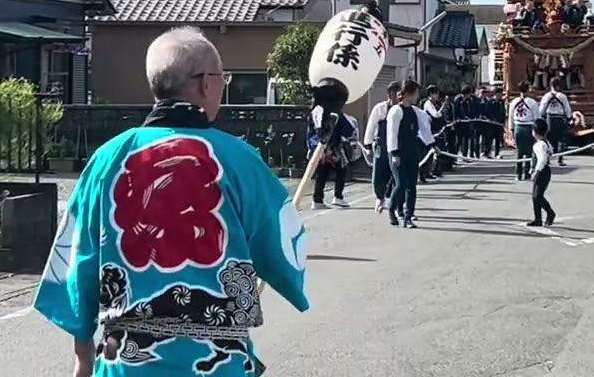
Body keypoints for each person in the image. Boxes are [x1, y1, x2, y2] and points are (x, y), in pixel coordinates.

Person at [33, 26, 309, 377]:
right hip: (217, 365)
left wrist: (84, 359)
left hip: (126, 362)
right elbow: (287, 248)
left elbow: (77, 265)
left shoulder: (106, 160)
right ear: (206, 83)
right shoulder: (240, 159)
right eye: (223, 78)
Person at [385, 79, 428, 229]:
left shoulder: (416, 112)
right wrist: (394, 153)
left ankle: (408, 217)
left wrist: (432, 145)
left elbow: (424, 130)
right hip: (398, 152)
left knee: (412, 186)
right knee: (401, 183)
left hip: (412, 151)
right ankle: (392, 208)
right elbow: (392, 134)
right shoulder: (396, 111)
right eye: (416, 93)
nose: (417, 96)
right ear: (409, 94)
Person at [308, 101, 354, 210]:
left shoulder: (317, 111)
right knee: (336, 171)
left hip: (324, 147)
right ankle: (333, 197)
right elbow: (347, 130)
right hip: (327, 147)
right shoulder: (329, 110)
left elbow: (310, 133)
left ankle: (320, 199)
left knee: (325, 173)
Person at [364, 81, 402, 214]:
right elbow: (371, 127)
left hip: (397, 146)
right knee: (378, 173)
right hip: (381, 146)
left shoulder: (402, 109)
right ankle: (380, 198)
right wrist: (368, 146)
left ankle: (394, 202)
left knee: (396, 175)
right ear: (391, 94)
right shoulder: (380, 108)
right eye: (397, 93)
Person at [527, 118, 557, 227]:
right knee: (535, 196)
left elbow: (542, 159)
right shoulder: (546, 143)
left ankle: (550, 212)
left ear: (534, 131)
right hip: (544, 170)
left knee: (538, 196)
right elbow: (550, 153)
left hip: (542, 171)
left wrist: (536, 172)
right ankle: (537, 218)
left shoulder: (539, 145)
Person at [508, 82, 540, 181]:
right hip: (528, 127)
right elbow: (536, 117)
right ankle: (526, 173)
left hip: (518, 126)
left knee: (519, 152)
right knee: (529, 152)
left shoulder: (514, 102)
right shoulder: (532, 102)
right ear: (527, 90)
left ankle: (518, 174)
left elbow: (510, 116)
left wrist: (511, 129)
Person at [539, 78, 573, 167]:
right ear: (558, 86)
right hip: (560, 118)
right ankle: (560, 159)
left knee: (549, 139)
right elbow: (567, 108)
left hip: (550, 118)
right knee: (561, 139)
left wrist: (541, 117)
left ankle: (548, 159)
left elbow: (542, 109)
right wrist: (569, 117)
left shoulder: (546, 96)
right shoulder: (562, 96)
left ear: (550, 85)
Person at [421, 85, 447, 179]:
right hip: (429, 130)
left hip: (436, 129)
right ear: (430, 94)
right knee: (428, 151)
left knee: (434, 151)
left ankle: (432, 171)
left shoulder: (436, 103)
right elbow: (436, 115)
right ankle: (424, 173)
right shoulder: (428, 103)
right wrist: (443, 106)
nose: (437, 95)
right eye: (435, 93)